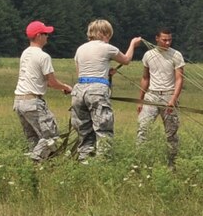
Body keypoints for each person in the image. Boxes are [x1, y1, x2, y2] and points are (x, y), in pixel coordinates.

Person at [70, 19, 145, 159]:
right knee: (103, 128)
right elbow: (126, 60)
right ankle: (103, 161)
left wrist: (105, 72)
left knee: (84, 129)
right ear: (105, 33)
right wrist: (133, 44)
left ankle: (84, 159)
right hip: (97, 90)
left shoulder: (80, 49)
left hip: (79, 90)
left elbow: (80, 71)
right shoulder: (107, 48)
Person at [14, 20, 72, 160]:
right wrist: (66, 87)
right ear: (39, 35)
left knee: (33, 138)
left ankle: (34, 169)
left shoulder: (25, 53)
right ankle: (33, 161)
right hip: (33, 102)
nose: (48, 37)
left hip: (19, 102)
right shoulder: (43, 56)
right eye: (46, 34)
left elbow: (45, 82)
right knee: (51, 137)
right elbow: (51, 81)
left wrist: (59, 87)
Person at [136, 27, 187, 162]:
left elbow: (179, 79)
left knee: (171, 133)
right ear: (157, 39)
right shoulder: (148, 55)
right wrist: (140, 100)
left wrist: (173, 99)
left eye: (170, 40)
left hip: (169, 95)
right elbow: (145, 78)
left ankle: (172, 162)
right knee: (143, 128)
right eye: (164, 40)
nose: (167, 43)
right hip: (151, 96)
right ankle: (140, 161)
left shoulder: (176, 55)